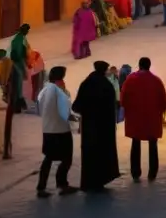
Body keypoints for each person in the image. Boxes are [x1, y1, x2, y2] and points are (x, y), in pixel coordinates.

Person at [71, 60, 121, 192]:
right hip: (104, 128)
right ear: (104, 70)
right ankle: (101, 180)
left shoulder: (86, 84)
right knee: (103, 153)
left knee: (89, 154)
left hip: (89, 127)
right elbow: (113, 107)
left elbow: (76, 106)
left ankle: (88, 182)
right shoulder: (107, 86)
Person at [120, 57, 166, 181]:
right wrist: (161, 113)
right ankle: (152, 173)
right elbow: (163, 100)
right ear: (149, 66)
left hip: (135, 118)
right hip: (152, 119)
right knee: (153, 145)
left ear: (139, 65)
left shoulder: (130, 80)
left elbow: (123, 99)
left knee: (135, 144)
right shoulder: (156, 81)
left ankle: (135, 173)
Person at [36, 66, 78, 197]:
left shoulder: (44, 90)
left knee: (48, 158)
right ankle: (62, 184)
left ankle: (41, 187)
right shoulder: (58, 91)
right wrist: (78, 119)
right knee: (66, 158)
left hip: (48, 129)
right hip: (60, 130)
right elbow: (65, 111)